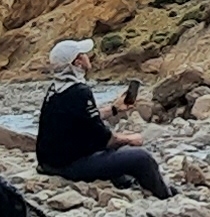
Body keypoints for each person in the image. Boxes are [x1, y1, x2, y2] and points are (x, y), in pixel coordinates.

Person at [34, 38, 173, 197]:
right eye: (83, 54)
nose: (88, 56)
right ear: (77, 62)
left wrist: (114, 109)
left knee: (118, 153)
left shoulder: (56, 89)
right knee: (141, 157)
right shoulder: (80, 92)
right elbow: (105, 139)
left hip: (50, 163)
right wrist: (131, 139)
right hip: (70, 165)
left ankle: (129, 183)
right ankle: (164, 197)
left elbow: (82, 118)